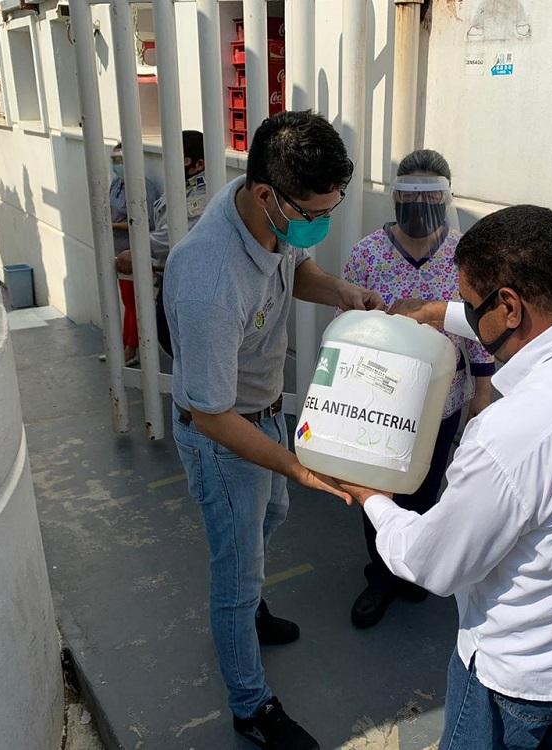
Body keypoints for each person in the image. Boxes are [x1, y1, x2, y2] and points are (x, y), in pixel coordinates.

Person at [341, 205, 552, 749]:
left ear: (508, 307)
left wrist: (373, 497)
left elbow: (432, 563)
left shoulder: (511, 435)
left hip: (528, 680)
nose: (466, 312)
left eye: (469, 303)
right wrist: (440, 313)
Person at [163, 111, 383, 750]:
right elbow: (211, 414)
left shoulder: (273, 217)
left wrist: (340, 291)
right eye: (314, 213)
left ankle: (251, 605)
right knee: (235, 572)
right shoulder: (208, 278)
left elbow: (296, 269)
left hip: (263, 414)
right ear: (266, 193)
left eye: (331, 209)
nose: (321, 223)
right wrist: (297, 466)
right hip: (222, 435)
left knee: (272, 515)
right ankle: (251, 706)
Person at [341, 148, 495, 629]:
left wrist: (481, 397)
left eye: (431, 196)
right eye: (410, 196)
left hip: (442, 402)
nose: (420, 205)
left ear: (445, 198)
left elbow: (481, 332)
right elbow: (349, 331)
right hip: (379, 402)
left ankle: (415, 567)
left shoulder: (465, 258)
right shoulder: (367, 255)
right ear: (395, 198)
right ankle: (381, 576)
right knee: (378, 491)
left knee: (427, 487)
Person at [114, 130, 209, 356]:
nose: (171, 165)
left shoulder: (203, 195)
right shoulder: (181, 187)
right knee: (169, 338)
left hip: (192, 283)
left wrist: (137, 251)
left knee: (184, 345)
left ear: (199, 164)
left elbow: (173, 235)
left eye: (180, 159)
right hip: (170, 277)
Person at [110, 142, 161, 365]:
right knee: (127, 301)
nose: (117, 165)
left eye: (121, 161)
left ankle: (131, 350)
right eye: (114, 161)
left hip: (135, 252)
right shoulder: (116, 184)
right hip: (118, 251)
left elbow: (146, 223)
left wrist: (113, 225)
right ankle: (126, 346)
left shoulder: (144, 188)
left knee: (135, 303)